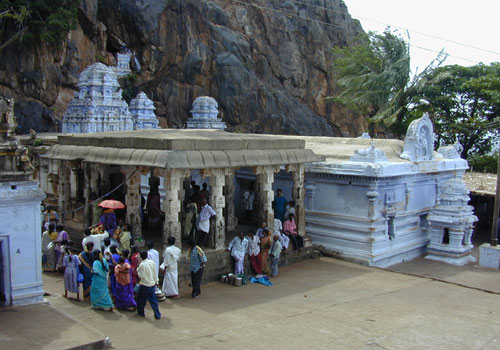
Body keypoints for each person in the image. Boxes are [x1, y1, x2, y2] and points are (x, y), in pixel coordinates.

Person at [136, 251, 161, 319]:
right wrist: (156, 281)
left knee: (141, 299)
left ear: (141, 257)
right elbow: (154, 273)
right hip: (152, 284)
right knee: (153, 300)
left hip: (145, 284)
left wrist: (137, 269)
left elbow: (141, 276)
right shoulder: (151, 262)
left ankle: (141, 313)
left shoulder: (142, 265)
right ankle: (157, 314)